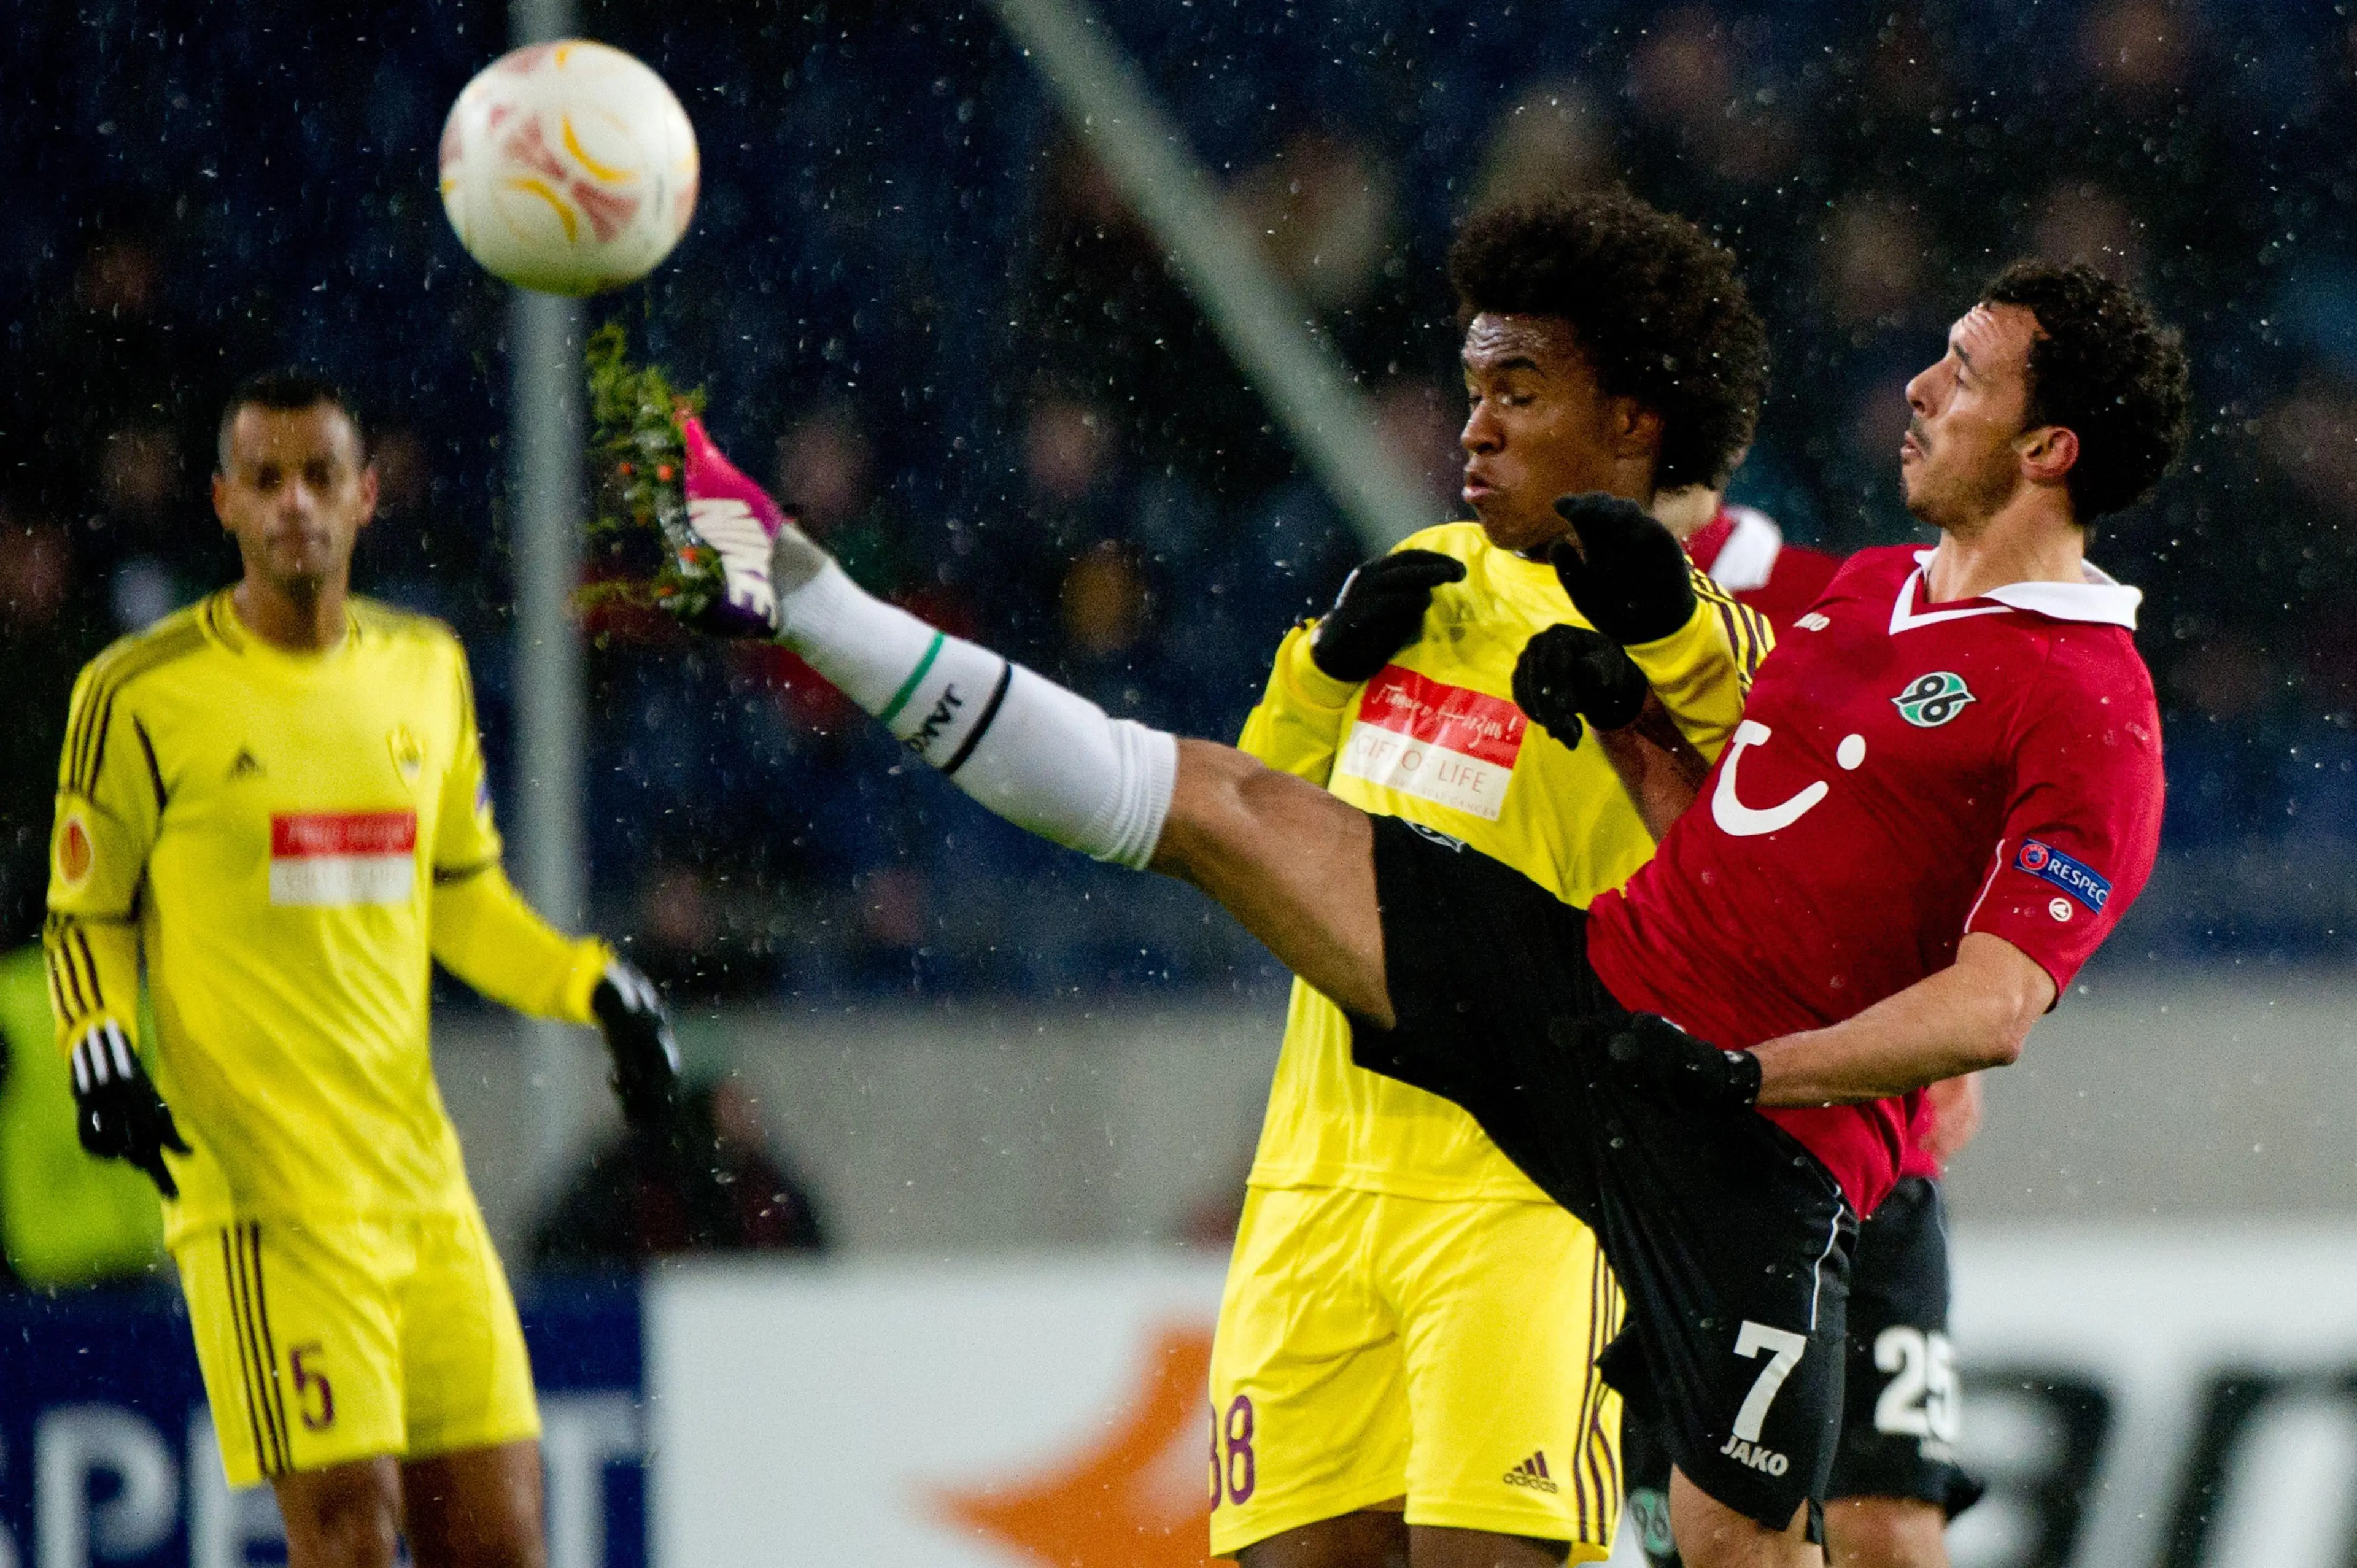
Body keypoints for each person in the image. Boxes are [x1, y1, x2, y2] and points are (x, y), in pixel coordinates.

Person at [633, 255, 2186, 1568]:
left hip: (1752, 1154)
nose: (1918, 384)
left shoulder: (2091, 706)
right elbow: (1732, 846)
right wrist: (1648, 744)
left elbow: (1992, 1007)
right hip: (1592, 1005)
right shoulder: (1854, 597)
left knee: (1746, 1548)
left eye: (1964, 373)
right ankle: (808, 589)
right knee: (1222, 807)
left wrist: (1750, 1076)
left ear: (2047, 449)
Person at [1209, 195, 1770, 1568]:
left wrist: (1662, 674)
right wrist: (1318, 675)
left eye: (1518, 392)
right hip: (1313, 1188)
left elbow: (1763, 871)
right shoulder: (1411, 589)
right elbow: (1255, 832)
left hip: (1527, 1201)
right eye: (1473, 389)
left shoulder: (1718, 648)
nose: (1475, 428)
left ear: (1632, 424)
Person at [43, 370, 682, 1568]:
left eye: (321, 477)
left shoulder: (424, 668)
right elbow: (88, 915)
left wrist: (593, 984)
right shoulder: (137, 695)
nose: (296, 505)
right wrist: (98, 1041)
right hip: (264, 1200)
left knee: (502, 1537)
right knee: (346, 1535)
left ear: (368, 494)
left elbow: (459, 897)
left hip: (421, 1191)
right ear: (223, 502)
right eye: (268, 480)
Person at [1624, 489, 1983, 1568]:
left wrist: (1967, 989)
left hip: (1861, 1149)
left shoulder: (1828, 597)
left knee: (1888, 1533)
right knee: (1705, 1539)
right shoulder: (1507, 601)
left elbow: (1969, 801)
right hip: (1672, 1154)